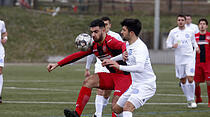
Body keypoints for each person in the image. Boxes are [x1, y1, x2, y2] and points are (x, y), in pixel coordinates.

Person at [47, 19, 132, 117]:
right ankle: (76, 113)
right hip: (113, 76)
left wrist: (125, 51)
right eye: (91, 32)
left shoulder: (110, 41)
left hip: (126, 77)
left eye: (96, 32)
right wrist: (57, 64)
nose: (93, 35)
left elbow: (123, 45)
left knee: (116, 107)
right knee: (89, 81)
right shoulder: (95, 46)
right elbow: (78, 55)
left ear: (103, 30)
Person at [102, 18, 156, 117]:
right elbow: (125, 55)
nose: (121, 32)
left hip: (146, 86)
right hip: (134, 85)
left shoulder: (140, 48)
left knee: (128, 107)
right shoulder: (128, 44)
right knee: (116, 109)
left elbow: (140, 68)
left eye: (124, 30)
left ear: (131, 33)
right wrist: (112, 60)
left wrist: (119, 67)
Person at [85, 16, 123, 117]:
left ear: (109, 25)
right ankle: (98, 114)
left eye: (106, 24)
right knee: (100, 90)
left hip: (112, 66)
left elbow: (123, 50)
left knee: (107, 94)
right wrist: (87, 68)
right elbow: (90, 53)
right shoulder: (95, 36)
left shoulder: (116, 36)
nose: (105, 26)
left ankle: (99, 111)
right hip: (100, 65)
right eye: (103, 24)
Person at [166, 14, 200, 108]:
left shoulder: (190, 31)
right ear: (177, 22)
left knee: (190, 78)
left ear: (185, 21)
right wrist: (173, 46)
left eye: (182, 20)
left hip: (190, 58)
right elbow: (168, 44)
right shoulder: (173, 32)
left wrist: (196, 48)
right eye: (179, 20)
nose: (180, 21)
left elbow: (193, 42)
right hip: (179, 59)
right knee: (183, 80)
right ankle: (188, 99)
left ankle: (192, 98)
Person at [194, 18, 210, 107]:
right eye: (200, 24)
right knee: (195, 83)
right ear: (198, 26)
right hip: (197, 63)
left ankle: (209, 101)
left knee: (209, 82)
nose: (202, 25)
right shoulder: (195, 36)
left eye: (204, 24)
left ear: (206, 26)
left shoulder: (209, 36)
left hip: (208, 63)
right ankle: (198, 98)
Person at [0, 19, 7, 103]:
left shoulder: (1, 23)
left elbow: (4, 32)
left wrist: (5, 38)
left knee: (0, 70)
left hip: (0, 50)